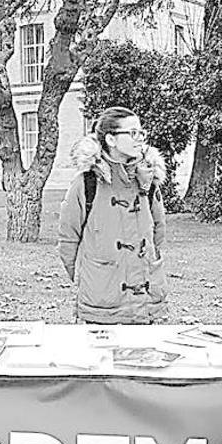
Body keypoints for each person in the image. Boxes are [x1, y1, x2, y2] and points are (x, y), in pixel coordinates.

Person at [58, 106, 168, 324]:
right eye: (133, 133)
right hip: (102, 305)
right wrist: (94, 280)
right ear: (111, 139)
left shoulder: (148, 180)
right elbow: (67, 241)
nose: (140, 139)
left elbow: (158, 234)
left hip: (146, 300)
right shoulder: (86, 184)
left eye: (141, 133)